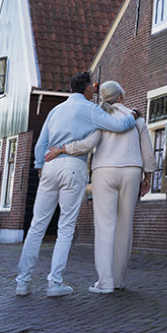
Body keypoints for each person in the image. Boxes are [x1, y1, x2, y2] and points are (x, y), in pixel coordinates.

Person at [14, 71, 136, 298]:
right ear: (88, 88)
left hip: (50, 167)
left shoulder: (55, 110)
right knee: (65, 227)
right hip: (73, 167)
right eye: (93, 86)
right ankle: (54, 283)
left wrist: (41, 168)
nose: (94, 89)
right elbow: (119, 126)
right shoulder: (91, 110)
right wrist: (134, 115)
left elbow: (41, 144)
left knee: (37, 226)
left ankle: (22, 282)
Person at [44, 79, 155, 294]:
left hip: (104, 172)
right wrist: (147, 178)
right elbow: (148, 153)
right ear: (121, 97)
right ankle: (119, 281)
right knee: (125, 226)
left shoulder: (99, 117)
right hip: (132, 170)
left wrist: (62, 149)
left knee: (105, 227)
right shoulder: (137, 119)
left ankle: (104, 283)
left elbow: (87, 145)